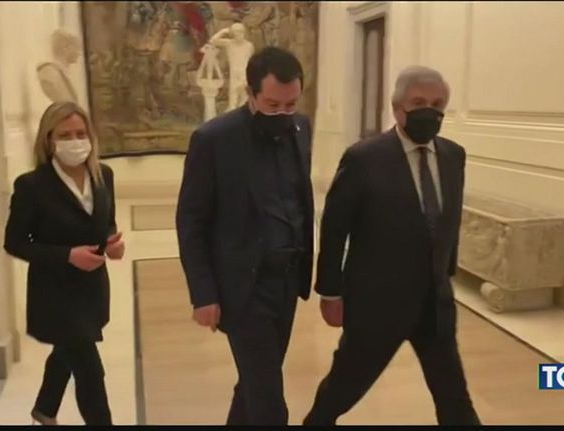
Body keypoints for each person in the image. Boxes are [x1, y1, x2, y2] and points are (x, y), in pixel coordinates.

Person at [303, 66, 481, 425]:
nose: (429, 111)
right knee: (345, 386)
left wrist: (446, 274)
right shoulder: (364, 158)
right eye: (419, 102)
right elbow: (335, 228)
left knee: (453, 394)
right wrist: (330, 292)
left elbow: (449, 219)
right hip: (377, 304)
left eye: (437, 104)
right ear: (397, 107)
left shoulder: (453, 156)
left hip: (435, 302)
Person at [176, 46, 314, 425]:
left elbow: (299, 199)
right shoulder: (214, 139)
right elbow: (191, 221)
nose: (283, 114)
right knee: (269, 401)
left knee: (255, 382)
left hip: (287, 280)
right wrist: (203, 293)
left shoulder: (301, 128)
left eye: (291, 104)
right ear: (250, 93)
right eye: (273, 105)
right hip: (244, 286)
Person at [4, 101, 124, 426]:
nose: (75, 141)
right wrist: (67, 255)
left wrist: (111, 243)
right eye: (65, 135)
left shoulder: (103, 176)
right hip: (55, 293)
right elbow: (15, 242)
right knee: (89, 369)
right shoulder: (32, 186)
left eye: (81, 133)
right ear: (49, 140)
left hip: (92, 289)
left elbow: (106, 223)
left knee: (67, 351)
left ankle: (45, 409)